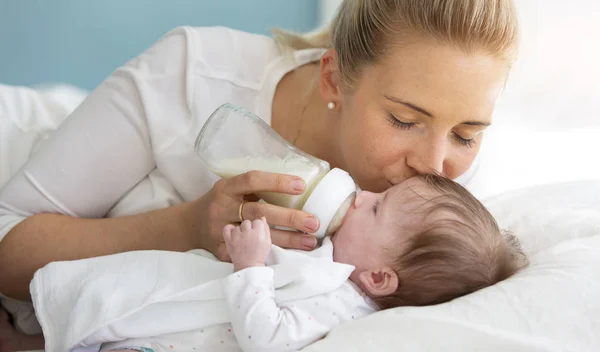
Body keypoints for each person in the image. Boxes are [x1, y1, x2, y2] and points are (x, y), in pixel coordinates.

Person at [0, 0, 519, 344]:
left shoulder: (447, 190)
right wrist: (189, 227)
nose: (433, 166)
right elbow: (7, 252)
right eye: (405, 120)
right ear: (335, 78)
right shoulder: (190, 76)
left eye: (467, 134)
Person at [15, 175, 528, 352]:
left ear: (379, 277)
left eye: (377, 207)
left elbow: (269, 337)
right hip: (185, 305)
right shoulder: (337, 262)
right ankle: (34, 335)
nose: (364, 194)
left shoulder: (343, 307)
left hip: (179, 341)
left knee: (116, 333)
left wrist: (252, 267)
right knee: (116, 300)